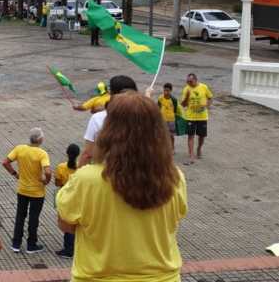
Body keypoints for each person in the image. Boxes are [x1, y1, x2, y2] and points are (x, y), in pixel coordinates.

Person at [56, 92, 187, 282]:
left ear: (108, 131)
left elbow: (66, 224)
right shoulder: (175, 177)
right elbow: (173, 222)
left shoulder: (85, 180)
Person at [2, 128, 51, 254]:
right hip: (37, 192)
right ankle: (31, 245)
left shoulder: (19, 149)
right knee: (33, 218)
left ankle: (16, 243)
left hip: (22, 190)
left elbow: (5, 162)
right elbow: (48, 171)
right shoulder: (42, 153)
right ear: (40, 139)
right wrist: (46, 181)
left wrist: (15, 173)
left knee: (20, 216)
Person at [78, 75, 138, 167]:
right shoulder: (143, 116)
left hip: (106, 170)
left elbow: (88, 154)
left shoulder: (98, 118)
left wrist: (77, 175)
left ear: (111, 93)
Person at [54, 144, 80, 258]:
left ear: (67, 153)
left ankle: (68, 249)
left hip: (65, 197)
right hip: (78, 198)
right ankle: (77, 246)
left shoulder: (61, 167)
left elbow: (57, 183)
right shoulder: (81, 167)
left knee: (66, 223)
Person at [181, 73, 213, 165]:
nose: (188, 83)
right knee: (190, 136)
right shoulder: (186, 89)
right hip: (190, 116)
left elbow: (210, 98)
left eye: (190, 81)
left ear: (195, 80)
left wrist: (207, 106)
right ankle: (191, 155)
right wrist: (187, 97)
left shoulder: (204, 87)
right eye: (187, 81)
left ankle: (199, 148)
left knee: (202, 136)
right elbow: (183, 105)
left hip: (202, 116)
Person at [158, 83, 180, 151]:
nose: (166, 92)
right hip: (163, 119)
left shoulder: (174, 99)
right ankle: (164, 148)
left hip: (171, 120)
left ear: (171, 91)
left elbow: (175, 110)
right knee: (162, 135)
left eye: (167, 91)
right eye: (164, 90)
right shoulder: (160, 98)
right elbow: (158, 108)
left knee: (171, 135)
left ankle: (172, 148)